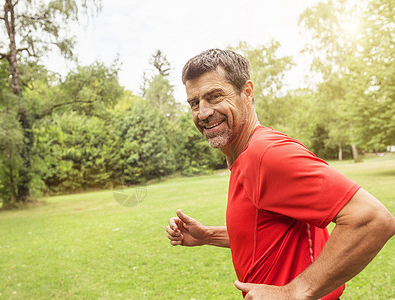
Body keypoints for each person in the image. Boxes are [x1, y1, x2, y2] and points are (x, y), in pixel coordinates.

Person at [166, 49, 395, 300]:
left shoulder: (265, 154)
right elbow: (267, 236)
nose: (203, 112)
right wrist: (208, 236)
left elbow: (373, 218)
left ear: (247, 92)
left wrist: (293, 291)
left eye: (214, 97)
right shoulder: (244, 156)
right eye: (194, 103)